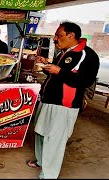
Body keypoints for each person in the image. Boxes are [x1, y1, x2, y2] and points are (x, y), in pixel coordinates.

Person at [26, 21, 100, 179]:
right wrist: (48, 65)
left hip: (64, 104)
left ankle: (49, 175)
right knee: (40, 132)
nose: (55, 38)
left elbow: (85, 81)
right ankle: (41, 161)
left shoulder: (87, 55)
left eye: (59, 35)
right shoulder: (65, 52)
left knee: (55, 140)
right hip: (48, 99)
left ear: (71, 35)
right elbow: (58, 74)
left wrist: (59, 71)